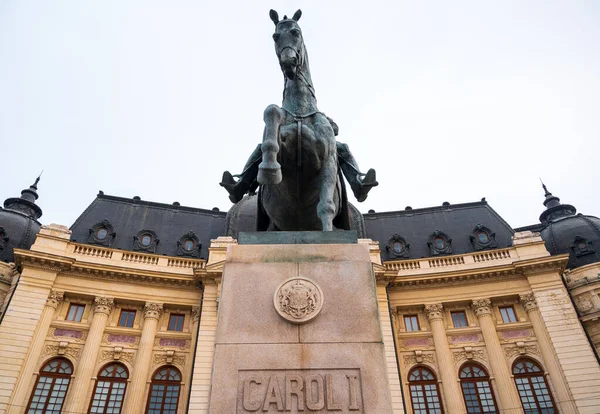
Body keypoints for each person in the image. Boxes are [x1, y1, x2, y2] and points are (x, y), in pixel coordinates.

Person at [220, 117, 378, 203]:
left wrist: (321, 127)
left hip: (318, 148)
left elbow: (335, 129)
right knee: (261, 147)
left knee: (342, 147)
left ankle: (359, 185)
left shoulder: (317, 116)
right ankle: (239, 188)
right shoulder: (283, 114)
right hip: (288, 147)